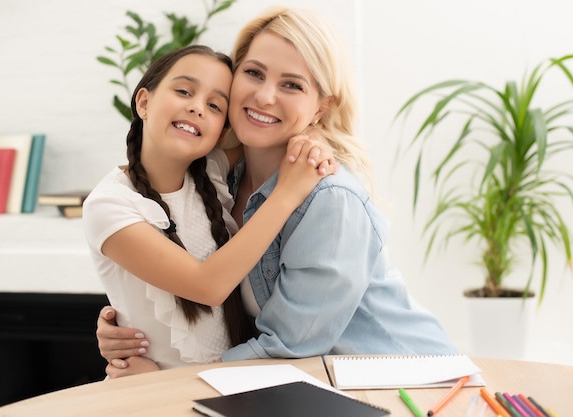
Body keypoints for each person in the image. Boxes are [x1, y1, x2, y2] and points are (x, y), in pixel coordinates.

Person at [97, 7, 458, 377]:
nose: (265, 96)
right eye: (254, 73)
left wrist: (163, 380)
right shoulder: (220, 178)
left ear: (321, 107)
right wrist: (130, 322)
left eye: (292, 85)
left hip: (410, 384)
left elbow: (289, 349)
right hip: (314, 388)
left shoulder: (330, 198)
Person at [82, 44, 336, 372]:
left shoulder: (211, 173)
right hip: (152, 389)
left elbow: (277, 130)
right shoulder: (110, 205)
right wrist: (287, 194)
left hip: (224, 383)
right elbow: (208, 286)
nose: (197, 108)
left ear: (222, 132)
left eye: (215, 105)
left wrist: (316, 137)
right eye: (184, 91)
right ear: (144, 102)